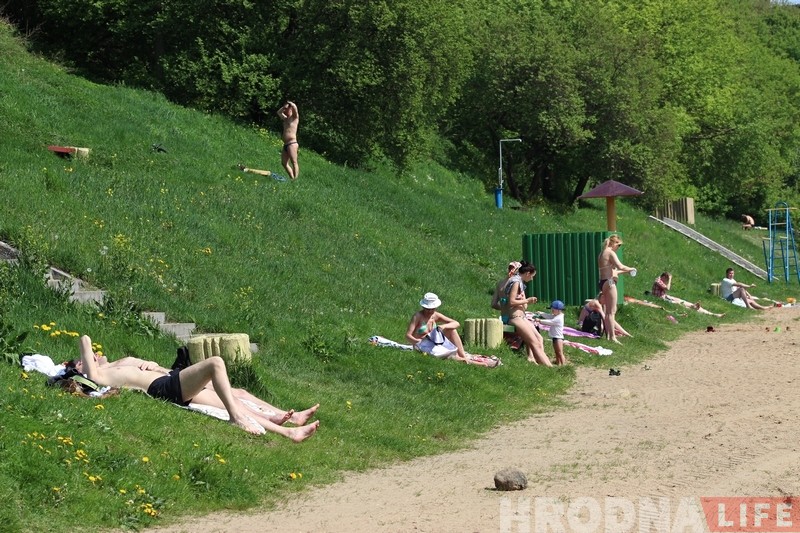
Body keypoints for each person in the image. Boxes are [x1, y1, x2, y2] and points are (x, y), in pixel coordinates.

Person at [75, 335, 319, 442]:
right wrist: (85, 355)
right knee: (215, 363)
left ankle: (290, 428)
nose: (97, 354)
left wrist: (150, 365)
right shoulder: (100, 373)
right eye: (91, 357)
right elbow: (85, 343)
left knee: (238, 395)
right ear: (81, 365)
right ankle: (237, 418)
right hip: (164, 387)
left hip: (169, 379)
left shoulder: (118, 364)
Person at [405, 293, 499, 367]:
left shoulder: (436, 315)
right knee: (450, 357)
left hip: (435, 343)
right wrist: (418, 341)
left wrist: (444, 327)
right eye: (427, 309)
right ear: (423, 307)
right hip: (422, 345)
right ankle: (475, 363)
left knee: (452, 329)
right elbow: (408, 336)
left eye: (431, 309)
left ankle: (462, 355)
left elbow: (456, 323)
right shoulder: (418, 316)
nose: (429, 311)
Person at [500, 262, 552, 366]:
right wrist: (527, 300)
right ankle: (548, 368)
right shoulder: (515, 282)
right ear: (528, 273)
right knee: (535, 343)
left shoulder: (518, 281)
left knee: (539, 339)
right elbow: (511, 302)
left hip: (521, 317)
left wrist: (524, 301)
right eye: (532, 276)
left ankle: (544, 364)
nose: (532, 279)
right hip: (515, 317)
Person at [597, 235, 636, 344]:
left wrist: (627, 271)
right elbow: (620, 266)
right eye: (618, 245)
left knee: (608, 311)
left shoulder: (602, 253)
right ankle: (612, 337)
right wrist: (631, 269)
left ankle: (609, 336)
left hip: (603, 282)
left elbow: (613, 270)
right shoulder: (610, 252)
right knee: (611, 312)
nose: (618, 247)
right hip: (609, 283)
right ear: (613, 243)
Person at [652, 272, 724, 317]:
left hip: (665, 297)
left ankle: (712, 314)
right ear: (664, 277)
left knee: (682, 301)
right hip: (662, 298)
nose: (667, 282)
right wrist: (670, 279)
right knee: (680, 304)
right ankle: (695, 308)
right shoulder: (658, 280)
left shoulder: (660, 280)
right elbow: (667, 289)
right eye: (666, 280)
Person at [535, 300, 567, 366]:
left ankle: (563, 365)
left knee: (560, 352)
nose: (551, 311)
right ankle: (558, 363)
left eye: (553, 310)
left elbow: (550, 321)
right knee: (556, 352)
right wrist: (541, 313)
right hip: (555, 337)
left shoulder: (559, 318)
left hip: (558, 338)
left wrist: (540, 320)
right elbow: (549, 316)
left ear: (558, 310)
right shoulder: (557, 315)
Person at [277, 101, 300, 180]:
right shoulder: (285, 119)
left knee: (294, 162)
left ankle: (295, 180)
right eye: (285, 109)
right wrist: (284, 107)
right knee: (284, 163)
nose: (285, 111)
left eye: (287, 109)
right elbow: (278, 112)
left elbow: (295, 110)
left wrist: (291, 104)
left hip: (292, 143)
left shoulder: (294, 118)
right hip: (286, 144)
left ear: (291, 109)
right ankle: (292, 178)